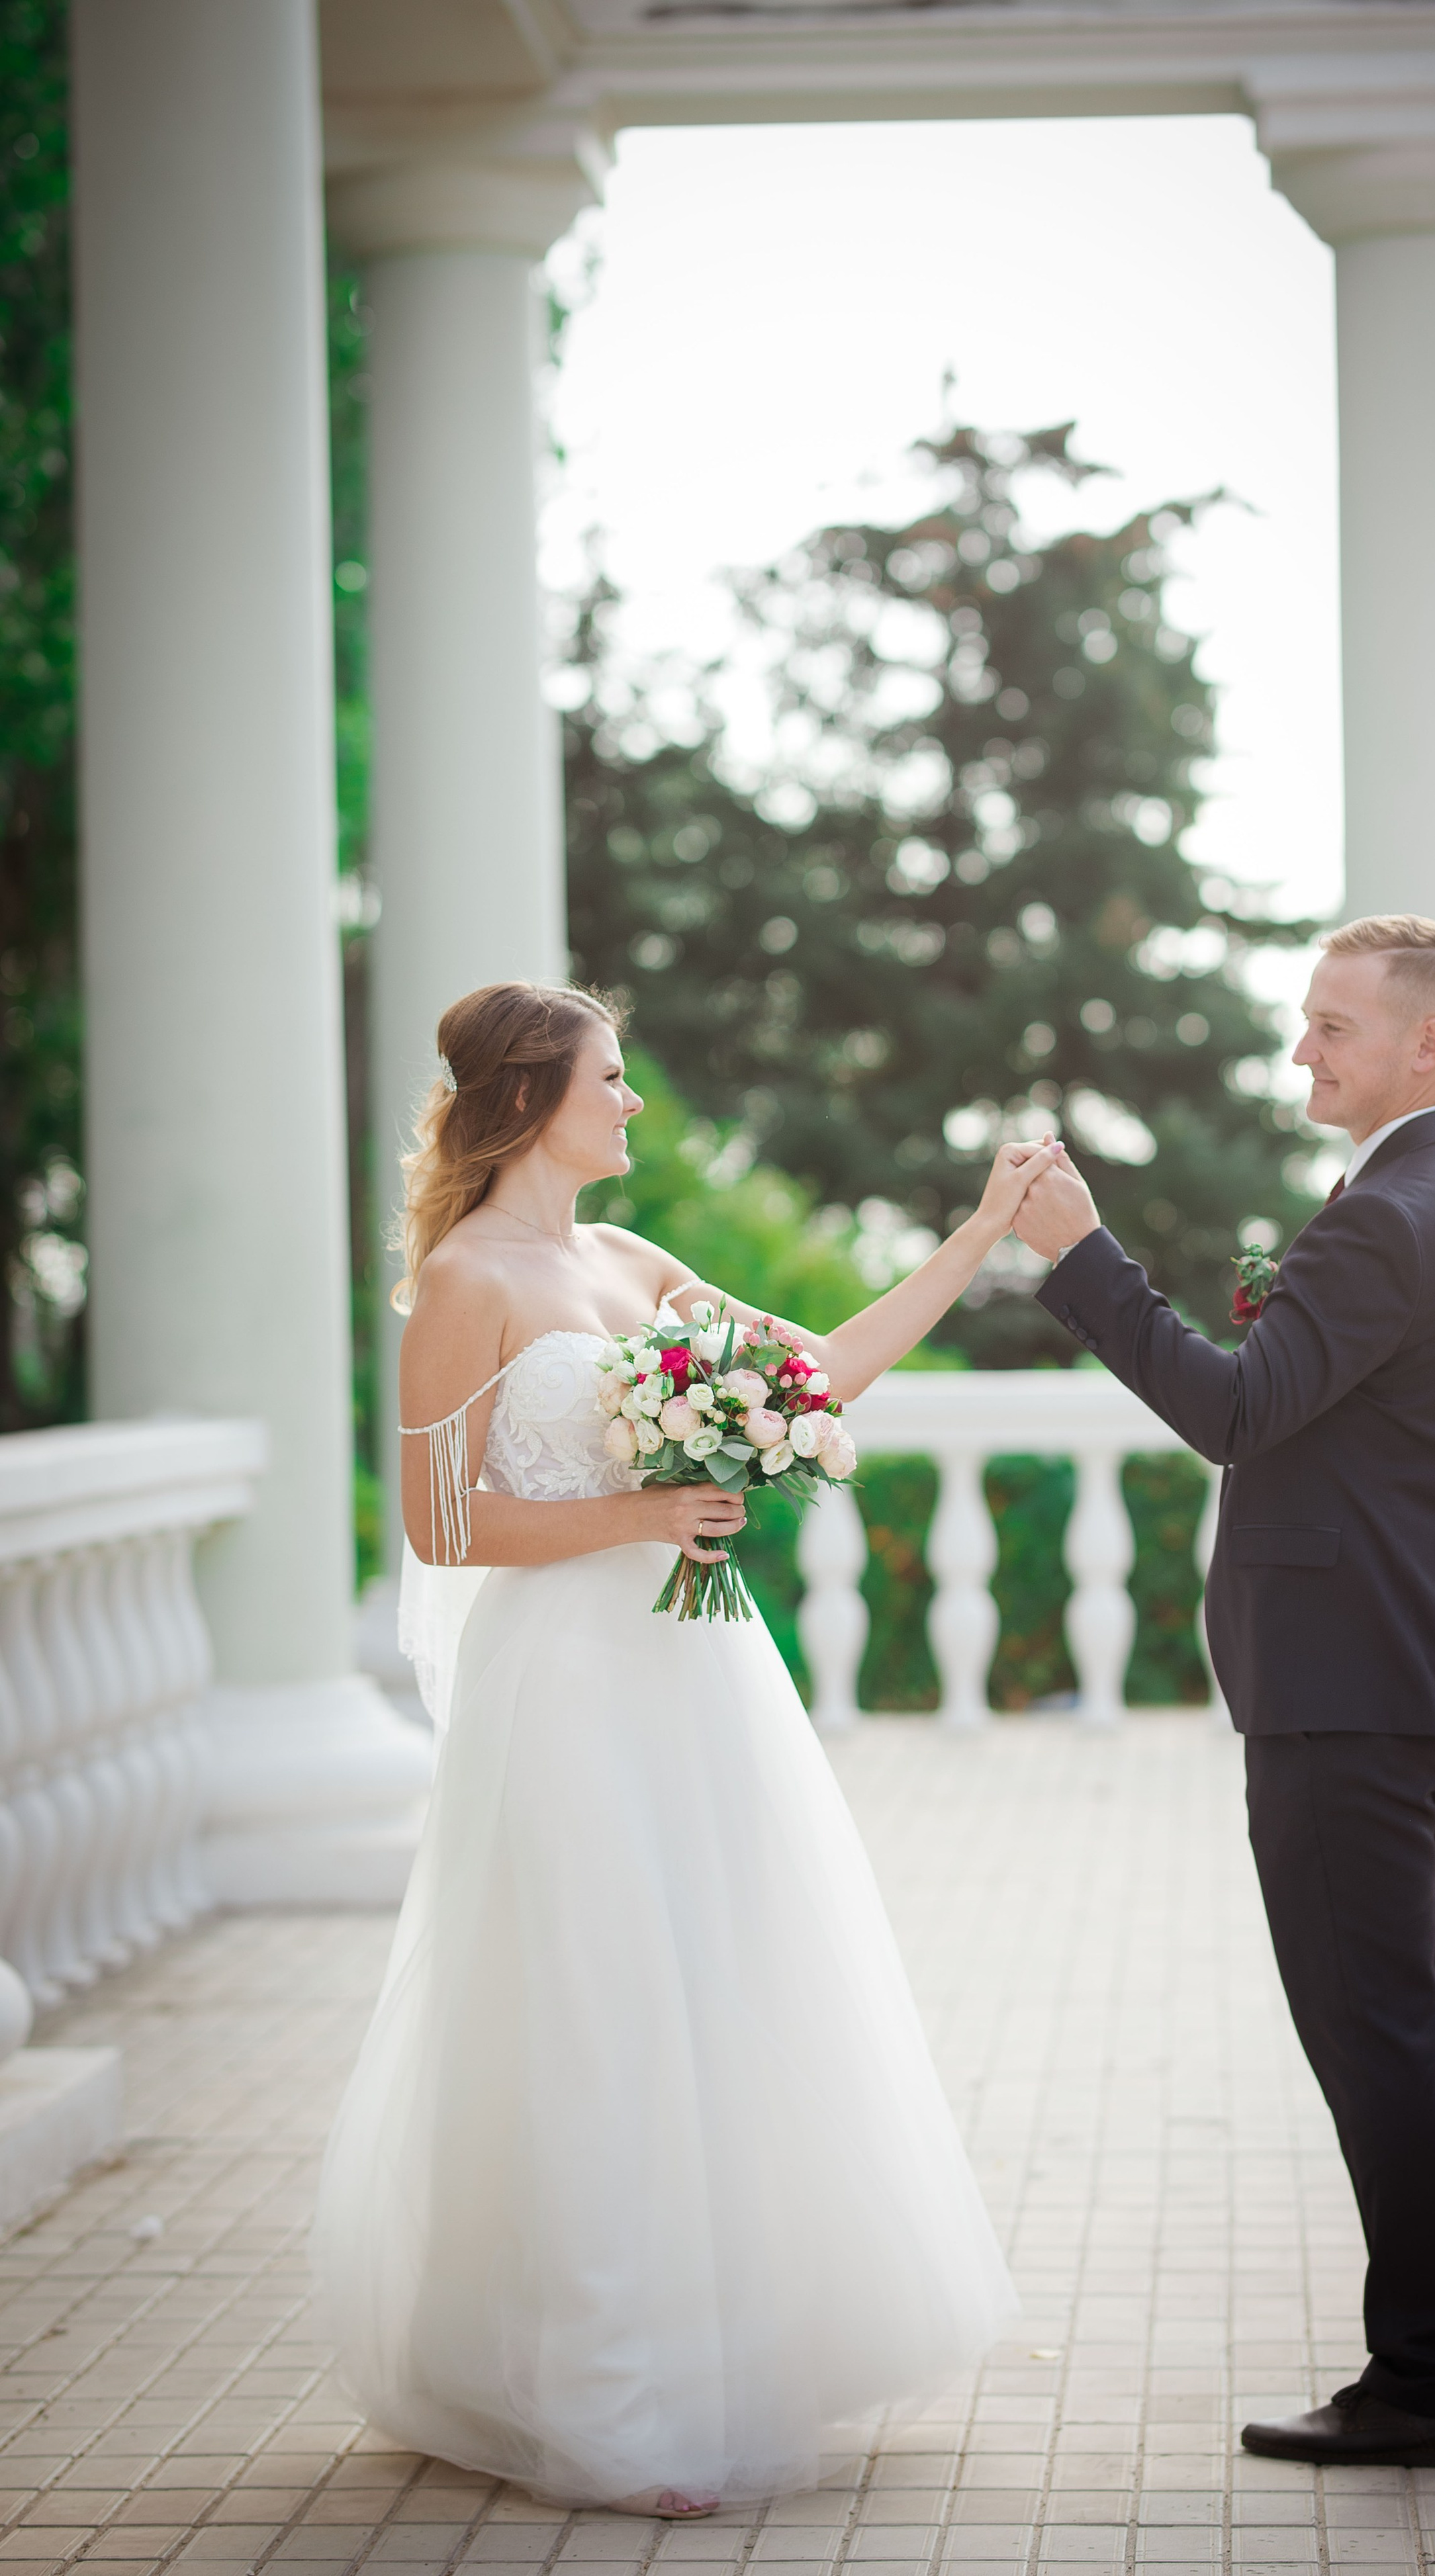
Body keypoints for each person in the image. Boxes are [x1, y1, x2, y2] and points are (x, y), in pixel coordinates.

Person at [312, 980, 1048, 2517]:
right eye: (613, 1078)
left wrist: (981, 1237)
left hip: (696, 1679)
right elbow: (442, 1524)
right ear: (530, 1099)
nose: (633, 1102)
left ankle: (713, 2351)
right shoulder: (466, 1281)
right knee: (600, 2014)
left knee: (720, 1984)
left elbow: (820, 1375)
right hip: (565, 1692)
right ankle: (607, 2411)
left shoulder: (623, 1259)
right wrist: (643, 1511)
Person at [1013, 914, 1435, 2472]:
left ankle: (1426, 2375)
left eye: (1331, 1028)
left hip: (1352, 1683)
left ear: (1424, 1043)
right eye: (1306, 1023)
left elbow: (1233, 1411)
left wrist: (1080, 1257)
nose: (1303, 1049)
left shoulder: (1384, 1216)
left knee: (1380, 2030)